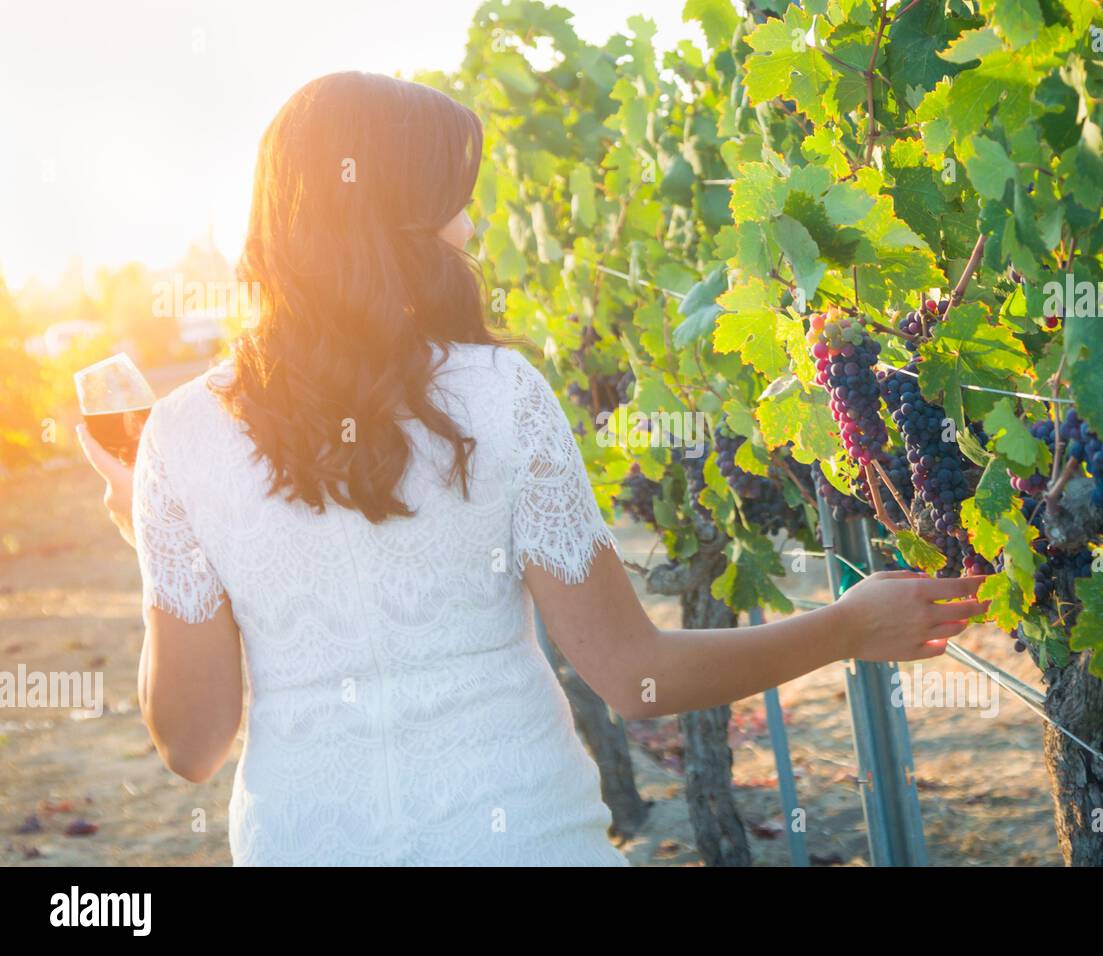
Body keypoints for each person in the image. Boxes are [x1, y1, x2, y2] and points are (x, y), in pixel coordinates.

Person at [78, 71, 985, 866]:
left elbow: (192, 744)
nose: (468, 223)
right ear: (400, 215)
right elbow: (635, 678)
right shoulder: (500, 393)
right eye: (450, 198)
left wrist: (155, 541)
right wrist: (846, 628)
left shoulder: (180, 437)